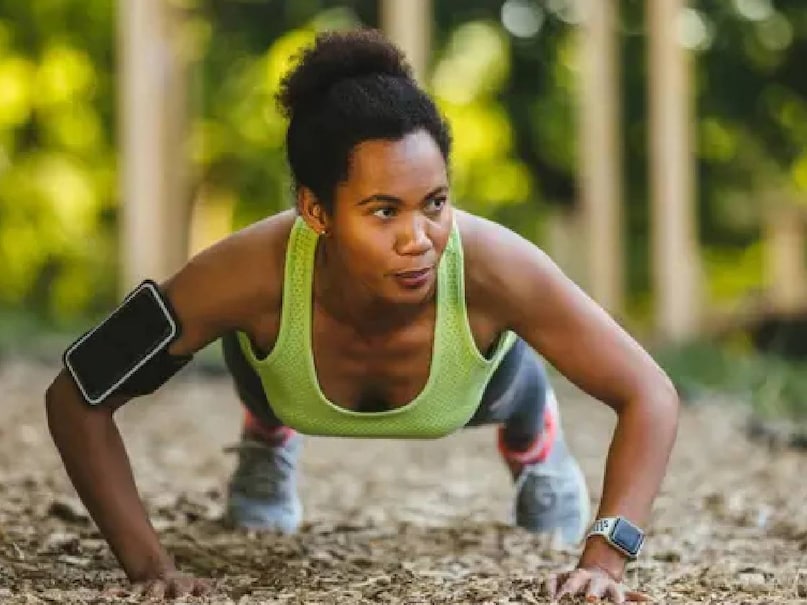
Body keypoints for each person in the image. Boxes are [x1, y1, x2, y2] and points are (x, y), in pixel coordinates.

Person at [45, 29, 678, 603]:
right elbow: (77, 395)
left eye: (434, 202)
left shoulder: (496, 265)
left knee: (516, 382)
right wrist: (149, 566)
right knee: (248, 332)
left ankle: (534, 439)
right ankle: (267, 435)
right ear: (316, 212)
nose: (418, 238)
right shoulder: (242, 270)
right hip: (287, 381)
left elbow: (648, 392)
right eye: (383, 211)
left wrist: (606, 559)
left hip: (475, 390)